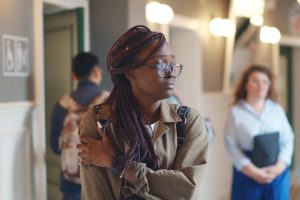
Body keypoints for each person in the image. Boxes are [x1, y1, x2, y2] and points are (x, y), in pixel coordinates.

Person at [77, 25, 209, 199]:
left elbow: (186, 190)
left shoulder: (188, 121)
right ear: (130, 71)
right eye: (161, 64)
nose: (171, 73)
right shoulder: (99, 121)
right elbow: (96, 194)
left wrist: (117, 163)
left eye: (172, 64)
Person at [224, 65, 294, 200]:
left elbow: (288, 139)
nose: (260, 85)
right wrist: (253, 171)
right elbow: (231, 145)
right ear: (246, 84)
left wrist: (279, 166)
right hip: (247, 172)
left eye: (265, 81)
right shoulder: (236, 112)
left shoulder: (276, 110)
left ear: (269, 85)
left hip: (277, 171)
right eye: (255, 81)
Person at [50, 52, 109, 200]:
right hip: (102, 184)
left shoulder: (62, 105)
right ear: (96, 72)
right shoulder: (110, 102)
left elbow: (54, 146)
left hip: (71, 185)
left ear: (74, 76)